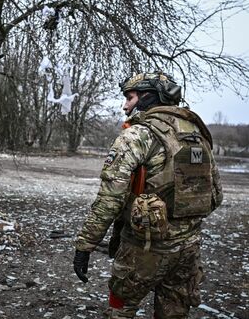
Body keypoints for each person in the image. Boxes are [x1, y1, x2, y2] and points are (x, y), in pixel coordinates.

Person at [73, 71, 223, 318]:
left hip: (145, 247)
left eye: (129, 98)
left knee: (120, 308)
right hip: (189, 249)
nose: (125, 106)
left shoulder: (137, 135)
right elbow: (216, 196)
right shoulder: (198, 134)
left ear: (148, 98)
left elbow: (110, 199)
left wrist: (85, 245)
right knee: (174, 312)